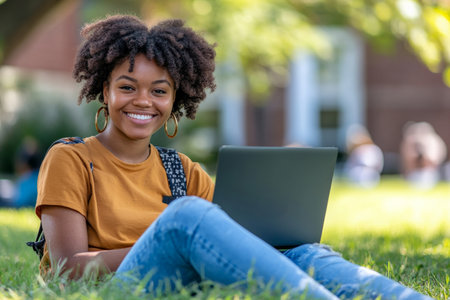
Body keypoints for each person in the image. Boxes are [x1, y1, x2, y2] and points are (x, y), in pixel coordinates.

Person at [35, 14, 433, 299]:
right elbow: (69, 269)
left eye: (159, 91)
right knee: (187, 217)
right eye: (127, 86)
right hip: (120, 290)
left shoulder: (181, 170)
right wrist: (165, 241)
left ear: (176, 99)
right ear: (104, 91)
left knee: (301, 251)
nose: (143, 101)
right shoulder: (70, 159)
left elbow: (228, 240)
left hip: (185, 285)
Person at [399, 121, 447, 189]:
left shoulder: (432, 142)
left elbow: (433, 160)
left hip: (428, 174)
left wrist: (423, 157)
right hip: (414, 175)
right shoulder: (410, 143)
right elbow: (408, 162)